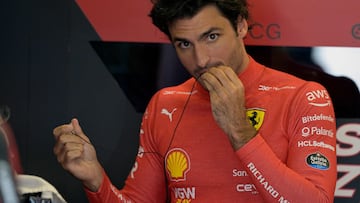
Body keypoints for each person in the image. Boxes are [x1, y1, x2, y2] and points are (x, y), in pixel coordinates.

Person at [53, 0, 337, 202]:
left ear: (240, 26)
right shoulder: (165, 105)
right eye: (184, 44)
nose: (201, 60)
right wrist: (96, 181)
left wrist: (240, 131)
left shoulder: (304, 97)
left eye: (211, 36)